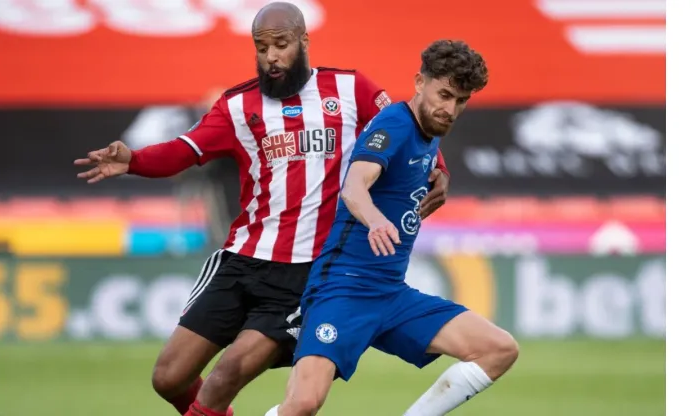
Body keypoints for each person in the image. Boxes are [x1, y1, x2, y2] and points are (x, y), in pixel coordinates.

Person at [73, 3, 451, 416]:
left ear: (304, 41)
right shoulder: (237, 106)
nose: (271, 55)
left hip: (305, 274)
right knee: (169, 377)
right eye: (261, 46)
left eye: (281, 44)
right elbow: (187, 149)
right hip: (241, 260)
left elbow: (407, 126)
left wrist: (440, 167)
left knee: (226, 374)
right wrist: (134, 161)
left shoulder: (350, 89)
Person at [264, 40, 519, 416]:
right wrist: (376, 219)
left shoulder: (427, 135)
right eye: (444, 94)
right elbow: (354, 187)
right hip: (344, 287)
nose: (450, 109)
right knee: (302, 404)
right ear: (419, 82)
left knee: (499, 349)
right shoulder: (394, 124)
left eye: (461, 101)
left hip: (390, 293)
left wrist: (437, 178)